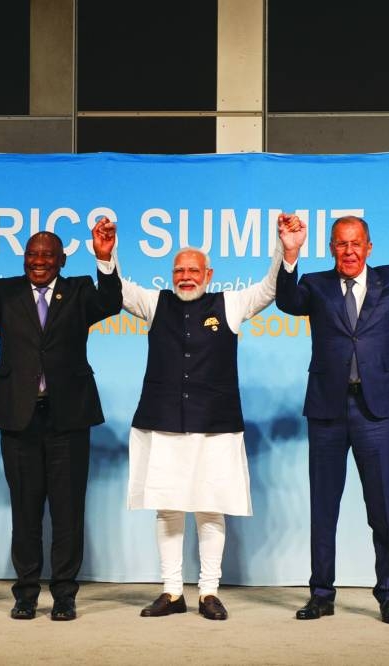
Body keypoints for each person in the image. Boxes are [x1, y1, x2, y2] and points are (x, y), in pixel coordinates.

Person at [276, 191, 389, 624]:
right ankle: (321, 594)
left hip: (378, 413)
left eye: (355, 243)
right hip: (327, 411)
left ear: (369, 247)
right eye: (340, 244)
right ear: (331, 249)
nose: (348, 251)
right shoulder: (315, 285)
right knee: (324, 508)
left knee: (383, 507)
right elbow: (287, 303)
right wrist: (289, 256)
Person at [122, 219, 288, 621]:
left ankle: (208, 592)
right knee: (168, 508)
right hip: (163, 423)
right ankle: (172, 591)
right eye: (179, 269)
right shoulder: (153, 302)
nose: (185, 276)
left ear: (208, 275)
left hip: (215, 425)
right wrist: (106, 254)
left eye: (193, 270)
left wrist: (285, 249)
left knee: (211, 509)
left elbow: (270, 288)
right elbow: (116, 287)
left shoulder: (229, 304)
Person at [0, 220, 122, 621]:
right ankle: (26, 593)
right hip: (19, 417)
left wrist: (105, 257)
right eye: (32, 254)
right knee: (25, 510)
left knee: (67, 513)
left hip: (68, 417)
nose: (39, 261)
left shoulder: (81, 291)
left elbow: (111, 303)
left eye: (48, 255)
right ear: (23, 258)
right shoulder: (4, 291)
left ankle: (64, 594)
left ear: (63, 260)